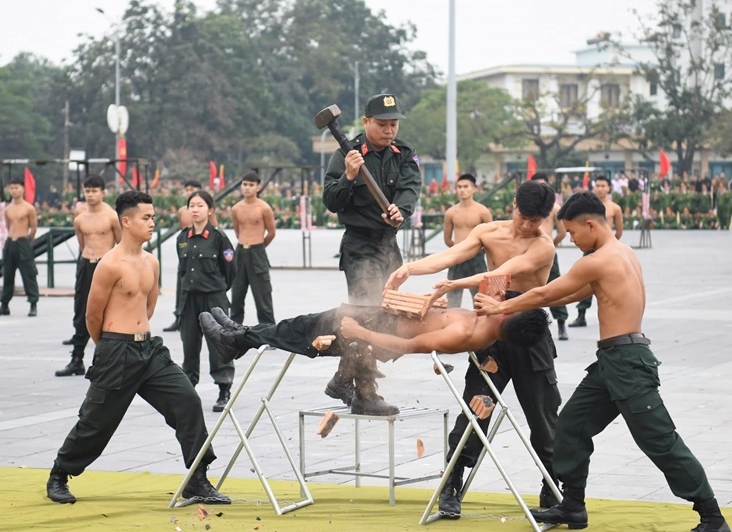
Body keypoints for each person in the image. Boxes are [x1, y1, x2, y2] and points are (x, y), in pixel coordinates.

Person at [474, 192, 730, 532]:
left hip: (627, 363)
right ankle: (573, 507)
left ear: (591, 224)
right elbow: (570, 293)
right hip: (611, 362)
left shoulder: (597, 260)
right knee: (570, 426)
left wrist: (501, 307)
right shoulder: (623, 254)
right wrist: (521, 306)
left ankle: (712, 516)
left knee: (661, 441)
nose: (572, 240)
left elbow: (548, 292)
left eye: (574, 233)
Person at [385, 180, 561, 518]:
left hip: (527, 329)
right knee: (476, 407)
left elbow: (503, 276)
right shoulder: (489, 231)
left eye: (536, 220)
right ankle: (452, 482)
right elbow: (451, 255)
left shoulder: (543, 246)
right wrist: (410, 267)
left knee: (543, 413)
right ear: (513, 205)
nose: (528, 226)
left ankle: (552, 485)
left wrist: (454, 284)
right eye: (524, 217)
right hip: (489, 329)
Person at [45, 190, 230, 506]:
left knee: (186, 400)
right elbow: (92, 315)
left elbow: (149, 306)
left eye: (153, 217)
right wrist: (109, 348)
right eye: (146, 217)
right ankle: (60, 473)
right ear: (126, 221)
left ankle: (197, 479)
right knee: (96, 422)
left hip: (150, 351)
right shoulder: (109, 264)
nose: (152, 223)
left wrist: (138, 335)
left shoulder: (151, 262)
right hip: (116, 351)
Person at [322, 92, 421, 416]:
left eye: (393, 124)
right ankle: (364, 392)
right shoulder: (347, 154)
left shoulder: (402, 153)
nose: (389, 130)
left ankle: (343, 377)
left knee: (391, 315)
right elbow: (331, 201)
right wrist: (349, 177)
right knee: (368, 314)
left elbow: (410, 187)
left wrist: (401, 210)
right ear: (366, 123)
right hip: (360, 246)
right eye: (382, 124)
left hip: (388, 244)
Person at [199, 301, 549, 381]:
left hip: (379, 333)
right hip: (385, 315)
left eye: (512, 308)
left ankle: (237, 340)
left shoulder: (466, 333)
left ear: (508, 320)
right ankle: (240, 335)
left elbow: (410, 347)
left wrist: (362, 334)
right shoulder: (486, 315)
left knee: (304, 333)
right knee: (304, 323)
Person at [176, 190, 236, 412]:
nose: (195, 209)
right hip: (189, 299)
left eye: (200, 205)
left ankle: (223, 389)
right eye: (191, 205)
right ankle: (188, 388)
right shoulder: (182, 239)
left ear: (210, 210)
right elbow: (181, 274)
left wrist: (218, 291)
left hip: (214, 298)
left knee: (218, 344)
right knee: (189, 344)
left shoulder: (219, 238)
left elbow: (230, 270)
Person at [56, 175, 121, 377]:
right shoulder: (80, 219)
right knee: (81, 311)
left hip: (105, 265)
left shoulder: (111, 216)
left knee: (108, 312)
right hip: (86, 265)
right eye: (87, 191)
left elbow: (121, 244)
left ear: (103, 192)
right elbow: (82, 245)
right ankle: (77, 358)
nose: (90, 195)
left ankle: (107, 360)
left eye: (94, 191)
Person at [569, 175, 622, 328]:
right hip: (590, 249)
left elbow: (618, 231)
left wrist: (609, 245)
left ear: (609, 188)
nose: (600, 189)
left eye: (603, 186)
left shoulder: (614, 208)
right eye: (597, 185)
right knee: (584, 282)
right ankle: (581, 315)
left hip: (606, 248)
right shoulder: (588, 209)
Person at [230, 171, 276, 326]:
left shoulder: (264, 208)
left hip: (257, 251)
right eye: (244, 184)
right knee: (236, 295)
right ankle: (233, 330)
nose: (247, 188)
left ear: (257, 187)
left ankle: (268, 331)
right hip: (240, 251)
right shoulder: (236, 208)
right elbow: (237, 231)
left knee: (263, 296)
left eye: (251, 185)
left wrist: (260, 247)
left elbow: (271, 232)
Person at [0, 177, 40, 317]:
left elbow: (34, 228)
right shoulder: (7, 209)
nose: (14, 191)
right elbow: (7, 226)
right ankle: (4, 304)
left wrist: (26, 242)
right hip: (10, 243)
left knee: (28, 274)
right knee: (7, 274)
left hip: (23, 241)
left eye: (17, 188)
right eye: (12, 188)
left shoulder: (29, 208)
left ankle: (33, 303)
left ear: (23, 189)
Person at [443, 173, 493, 308]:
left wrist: (477, 250)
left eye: (466, 187)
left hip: (476, 258)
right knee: (452, 295)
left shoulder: (482, 211)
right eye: (459, 187)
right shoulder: (451, 212)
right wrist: (459, 249)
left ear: (474, 189)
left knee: (481, 295)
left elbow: (492, 237)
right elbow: (447, 239)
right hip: (457, 257)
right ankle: (451, 324)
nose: (462, 190)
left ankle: (481, 325)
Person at [529, 173, 569, 340]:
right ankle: (531, 323)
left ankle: (561, 323)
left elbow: (562, 232)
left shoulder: (554, 208)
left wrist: (550, 244)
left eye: (543, 185)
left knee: (555, 286)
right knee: (529, 288)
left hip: (548, 253)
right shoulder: (527, 207)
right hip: (529, 254)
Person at [163, 180, 204, 332]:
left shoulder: (205, 210)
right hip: (186, 251)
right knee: (181, 284)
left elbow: (214, 229)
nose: (189, 192)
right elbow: (182, 234)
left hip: (201, 250)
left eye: (192, 189)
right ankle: (179, 317)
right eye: (187, 189)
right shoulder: (182, 211)